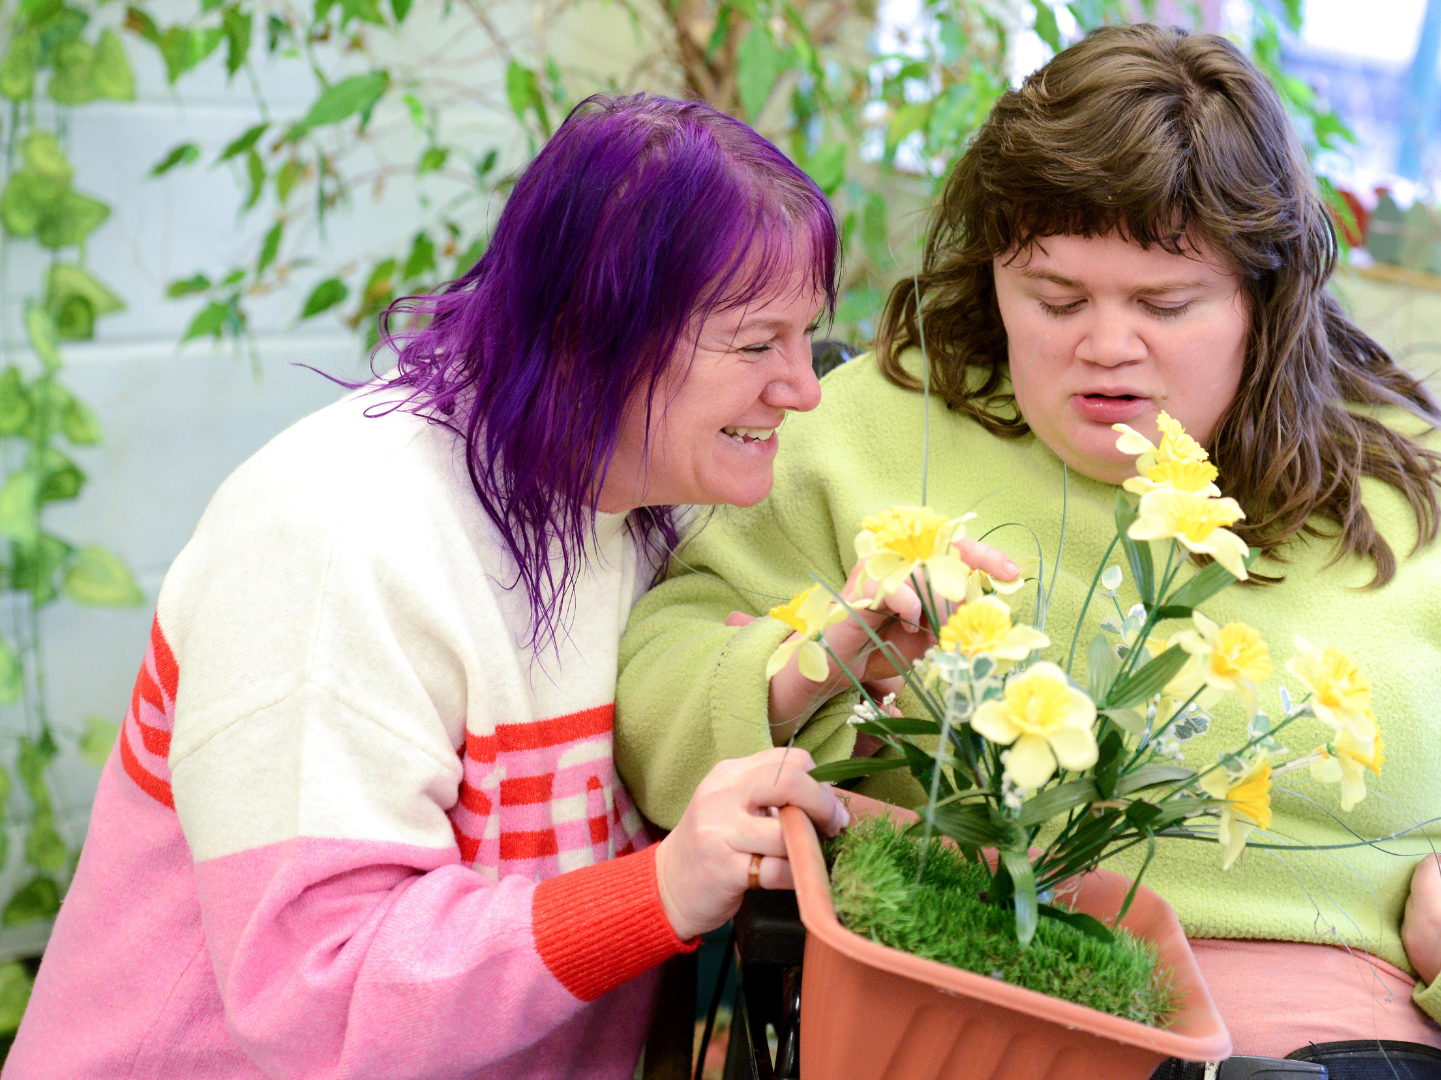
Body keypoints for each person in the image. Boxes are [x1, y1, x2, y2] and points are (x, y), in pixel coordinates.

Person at [612, 26, 1441, 1080]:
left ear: (1267, 298)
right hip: (957, 1006)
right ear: (994, 277)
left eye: (1165, 304)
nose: (1106, 345)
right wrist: (802, 668)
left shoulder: (1431, 503)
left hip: (1331, 1039)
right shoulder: (870, 428)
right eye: (1056, 298)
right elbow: (656, 690)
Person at [6, 95, 849, 1080]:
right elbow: (316, 996)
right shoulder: (338, 539)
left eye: (806, 337)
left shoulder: (648, 505)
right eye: (757, 344)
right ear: (590, 330)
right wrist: (662, 888)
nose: (804, 389)